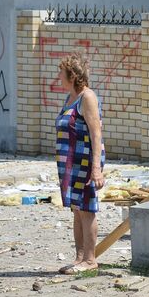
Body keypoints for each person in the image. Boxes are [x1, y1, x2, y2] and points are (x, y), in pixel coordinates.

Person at [55, 52, 105, 275]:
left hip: (85, 161)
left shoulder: (87, 97)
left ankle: (90, 259)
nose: (59, 78)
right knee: (77, 209)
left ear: (73, 76)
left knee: (87, 208)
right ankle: (79, 257)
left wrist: (96, 168)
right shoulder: (70, 98)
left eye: (62, 74)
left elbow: (96, 133)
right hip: (70, 163)